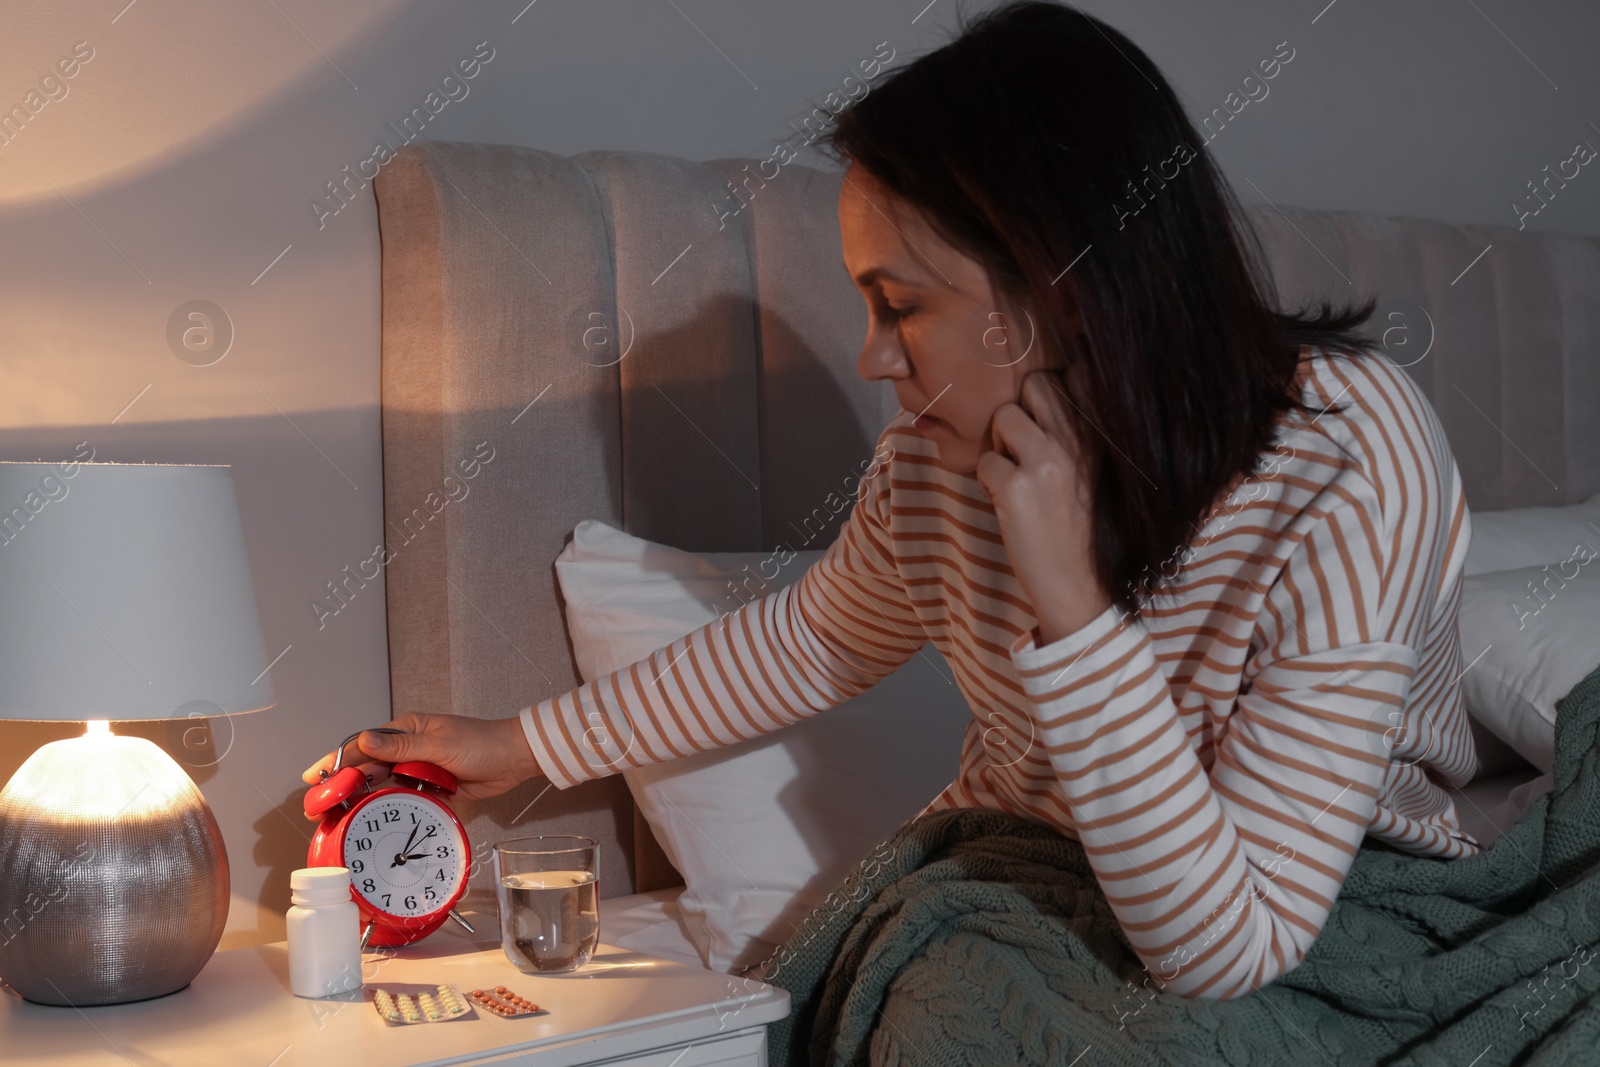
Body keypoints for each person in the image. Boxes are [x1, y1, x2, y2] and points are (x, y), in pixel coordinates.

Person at [304, 0, 1480, 1000]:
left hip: (1327, 895)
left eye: (899, 304)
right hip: (1027, 861)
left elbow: (1228, 949)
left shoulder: (1348, 454)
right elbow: (812, 639)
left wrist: (1070, 599)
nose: (874, 356)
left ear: (1050, 287)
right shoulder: (936, 457)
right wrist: (517, 745)